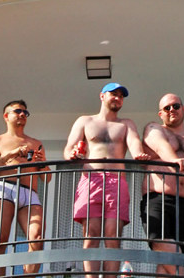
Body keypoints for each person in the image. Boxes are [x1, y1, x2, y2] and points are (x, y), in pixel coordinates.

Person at [64, 83, 149, 278]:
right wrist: (72, 155)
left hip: (116, 181)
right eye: (114, 94)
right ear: (102, 96)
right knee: (91, 234)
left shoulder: (126, 124)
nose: (118, 98)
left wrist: (139, 154)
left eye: (121, 96)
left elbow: (135, 144)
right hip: (91, 179)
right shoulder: (85, 121)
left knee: (113, 236)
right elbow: (68, 149)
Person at [141, 93, 184, 276]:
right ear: (160, 114)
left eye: (176, 106)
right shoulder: (153, 128)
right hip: (159, 199)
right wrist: (175, 161)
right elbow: (160, 147)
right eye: (167, 108)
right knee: (162, 243)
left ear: (183, 109)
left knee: (166, 261)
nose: (172, 110)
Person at [0, 100, 50, 277]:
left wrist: (42, 163)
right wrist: (11, 154)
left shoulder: (35, 143)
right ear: (6, 116)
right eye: (18, 111)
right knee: (0, 239)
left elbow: (47, 178)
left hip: (30, 192)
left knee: (37, 238)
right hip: (4, 187)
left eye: (25, 113)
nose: (22, 115)